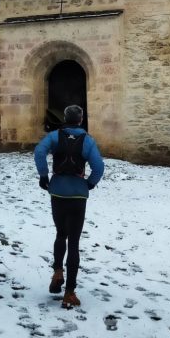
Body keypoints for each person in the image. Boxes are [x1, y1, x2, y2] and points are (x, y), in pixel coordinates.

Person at [34, 104, 104, 309]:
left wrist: (43, 175)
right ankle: (69, 293)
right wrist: (90, 183)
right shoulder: (88, 140)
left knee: (60, 234)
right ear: (81, 120)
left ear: (65, 118)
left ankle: (57, 271)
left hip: (57, 191)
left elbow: (39, 152)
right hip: (77, 194)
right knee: (74, 242)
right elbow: (99, 166)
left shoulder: (55, 136)